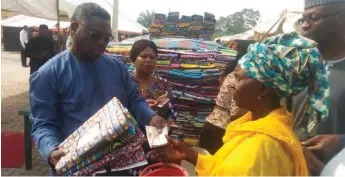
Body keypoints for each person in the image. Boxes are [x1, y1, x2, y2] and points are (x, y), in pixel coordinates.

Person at [148, 32, 329, 176]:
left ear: (263, 89)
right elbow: (224, 169)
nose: (232, 84)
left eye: (239, 78)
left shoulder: (261, 146)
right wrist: (189, 154)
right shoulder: (257, 127)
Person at [29, 3, 167, 175]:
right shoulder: (48, 74)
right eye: (95, 36)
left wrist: (151, 117)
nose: (102, 43)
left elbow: (134, 100)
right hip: (76, 167)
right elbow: (42, 123)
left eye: (106, 38)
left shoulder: (116, 68)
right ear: (74, 28)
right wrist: (51, 150)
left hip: (118, 165)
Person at [292, 0, 345, 174]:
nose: (305, 26)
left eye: (313, 18)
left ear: (341, 17)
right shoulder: (298, 67)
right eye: (303, 19)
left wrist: (341, 142)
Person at [199, 41, 253, 154]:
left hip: (212, 123)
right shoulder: (241, 80)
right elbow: (235, 112)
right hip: (222, 130)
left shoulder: (232, 74)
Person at [130, 39, 176, 123]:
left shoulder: (163, 84)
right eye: (143, 56)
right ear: (134, 58)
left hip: (159, 132)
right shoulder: (126, 82)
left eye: (152, 57)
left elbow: (172, 111)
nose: (148, 60)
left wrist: (166, 109)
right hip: (134, 133)